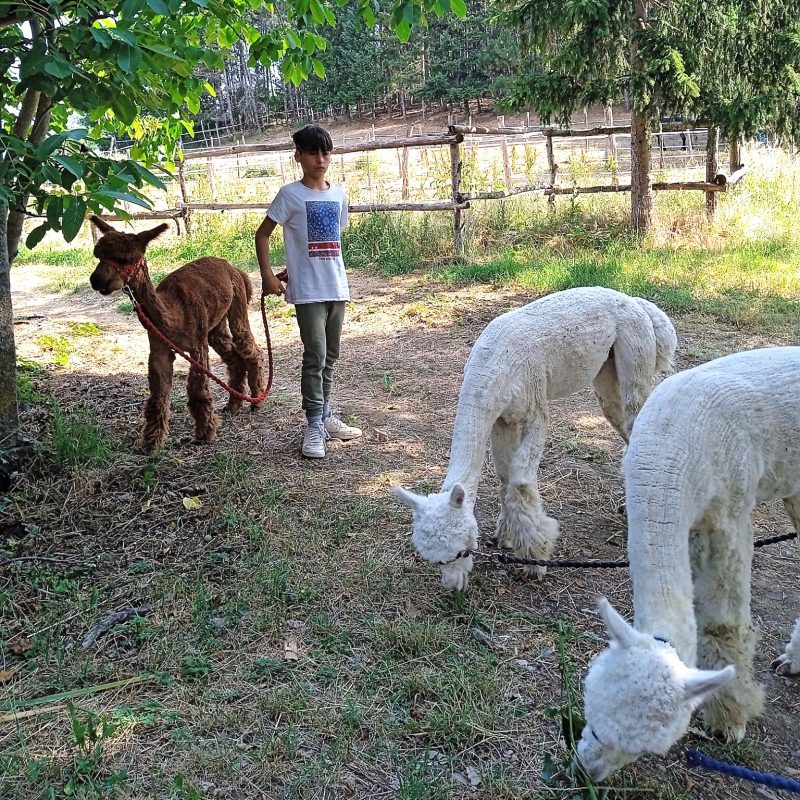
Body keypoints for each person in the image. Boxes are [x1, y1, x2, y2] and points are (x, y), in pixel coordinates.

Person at [255, 124, 362, 458]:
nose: (320, 159)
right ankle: (313, 423)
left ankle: (327, 414)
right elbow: (263, 235)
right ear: (298, 155)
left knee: (331, 356)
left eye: (326, 152)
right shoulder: (289, 195)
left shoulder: (339, 194)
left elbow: (327, 243)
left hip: (336, 286)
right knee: (315, 354)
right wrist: (269, 275)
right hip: (308, 291)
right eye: (312, 152)